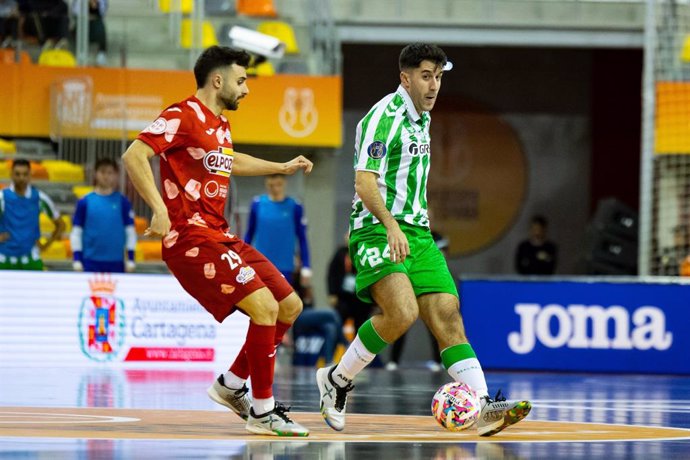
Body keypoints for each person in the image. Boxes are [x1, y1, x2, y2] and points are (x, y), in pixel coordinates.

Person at [315, 43, 531, 437]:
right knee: (401, 312)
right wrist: (391, 225)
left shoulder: (422, 117)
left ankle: (481, 406)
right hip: (375, 227)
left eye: (440, 76)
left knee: (448, 313)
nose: (434, 85)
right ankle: (337, 379)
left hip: (417, 232)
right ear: (406, 78)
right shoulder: (385, 117)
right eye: (427, 76)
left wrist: (415, 220)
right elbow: (365, 183)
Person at [122, 45, 312, 437]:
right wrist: (158, 208)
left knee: (289, 305)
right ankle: (262, 411)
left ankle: (230, 384)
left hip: (220, 233)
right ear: (219, 79)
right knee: (263, 306)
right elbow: (134, 155)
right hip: (190, 237)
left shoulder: (221, 125)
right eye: (242, 81)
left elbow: (231, 160)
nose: (246, 89)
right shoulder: (182, 115)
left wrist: (281, 167)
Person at [244, 174, 311, 289]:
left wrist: (306, 266)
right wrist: (243, 259)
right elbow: (249, 234)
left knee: (284, 303)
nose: (275, 189)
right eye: (271, 185)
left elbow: (302, 238)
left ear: (284, 183)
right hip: (260, 264)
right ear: (266, 184)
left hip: (285, 265)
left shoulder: (294, 206)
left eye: (278, 185)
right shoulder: (257, 204)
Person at [70, 157, 136, 273]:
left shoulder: (123, 202)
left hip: (116, 263)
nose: (106, 176)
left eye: (110, 172)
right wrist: (77, 259)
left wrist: (130, 259)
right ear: (96, 174)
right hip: (90, 262)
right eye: (102, 172)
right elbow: (76, 233)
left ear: (116, 175)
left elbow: (130, 232)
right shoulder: (84, 202)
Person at [0, 158, 64, 270]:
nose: (21, 178)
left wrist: (46, 245)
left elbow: (61, 225)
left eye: (25, 174)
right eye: (17, 174)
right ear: (11, 175)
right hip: (4, 258)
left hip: (31, 258)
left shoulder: (40, 198)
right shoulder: (2, 197)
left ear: (30, 175)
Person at [71, 0, 107, 66]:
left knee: (100, 28)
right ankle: (80, 53)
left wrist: (95, 5)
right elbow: (75, 11)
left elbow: (102, 12)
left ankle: (101, 54)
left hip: (95, 21)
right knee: (76, 29)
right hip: (82, 21)